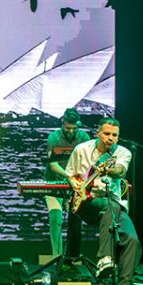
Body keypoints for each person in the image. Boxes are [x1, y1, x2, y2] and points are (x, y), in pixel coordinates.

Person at [65, 117, 142, 285]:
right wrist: (75, 184)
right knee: (110, 206)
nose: (110, 138)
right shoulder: (82, 149)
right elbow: (71, 174)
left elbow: (120, 171)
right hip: (86, 203)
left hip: (111, 203)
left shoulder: (123, 152)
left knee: (132, 240)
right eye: (107, 134)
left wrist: (108, 169)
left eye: (114, 135)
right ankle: (105, 257)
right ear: (98, 133)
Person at [44, 108, 90, 256]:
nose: (71, 132)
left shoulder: (84, 137)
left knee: (75, 222)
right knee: (56, 219)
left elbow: (88, 162)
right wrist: (69, 176)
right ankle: (57, 257)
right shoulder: (54, 137)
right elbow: (53, 165)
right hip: (54, 183)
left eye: (74, 128)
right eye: (68, 128)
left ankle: (72, 257)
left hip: (76, 184)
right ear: (63, 123)